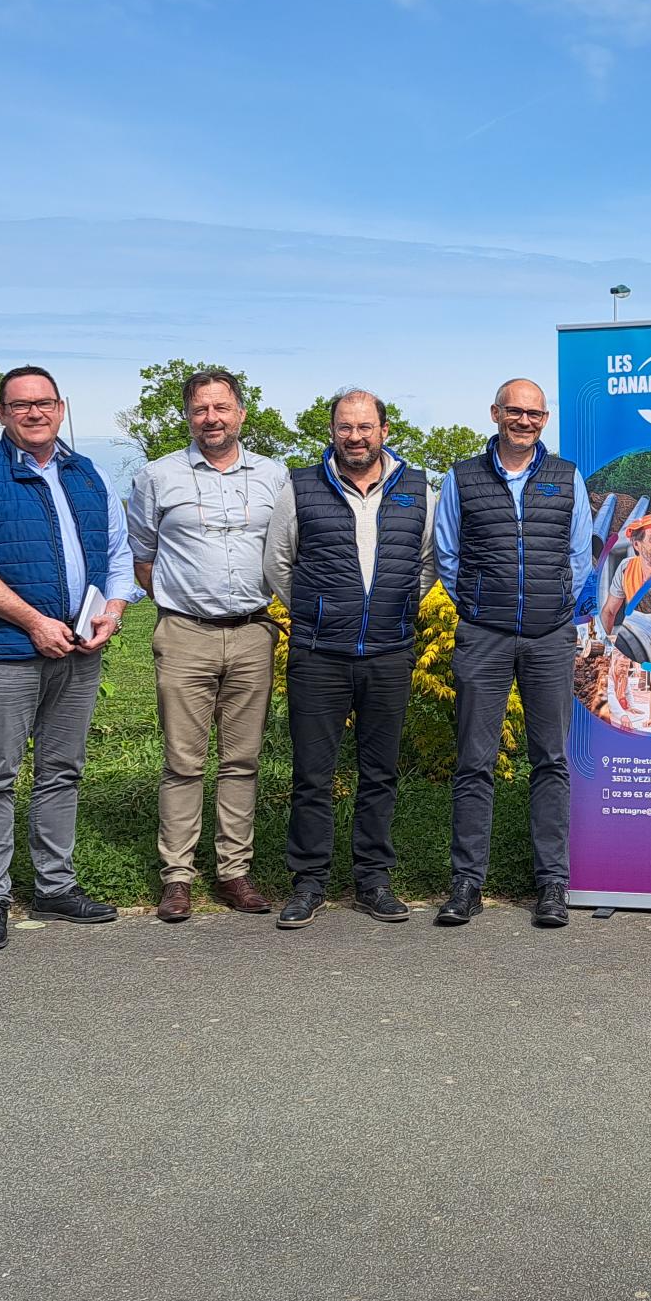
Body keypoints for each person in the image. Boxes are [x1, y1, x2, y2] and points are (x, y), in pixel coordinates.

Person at [0, 365, 136, 953]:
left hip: (79, 649)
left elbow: (118, 552)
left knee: (62, 770)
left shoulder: (87, 473)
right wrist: (33, 623)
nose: (34, 413)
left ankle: (55, 885)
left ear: (61, 408)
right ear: (2, 413)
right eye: (21, 404)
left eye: (44, 403)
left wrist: (113, 611)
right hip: (6, 653)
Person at [262, 388, 435, 929]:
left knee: (379, 773)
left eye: (365, 427)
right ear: (332, 431)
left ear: (384, 430)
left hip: (389, 652)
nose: (355, 437)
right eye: (345, 427)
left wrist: (395, 607)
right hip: (319, 654)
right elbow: (278, 563)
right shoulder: (300, 487)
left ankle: (373, 880)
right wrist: (317, 611)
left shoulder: (418, 488)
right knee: (312, 775)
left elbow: (428, 561)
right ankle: (308, 882)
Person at [126, 367, 288, 923]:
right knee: (182, 761)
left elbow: (286, 547)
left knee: (242, 760)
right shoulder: (156, 476)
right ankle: (177, 876)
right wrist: (182, 602)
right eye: (200, 409)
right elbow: (142, 554)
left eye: (221, 408)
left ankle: (234, 872)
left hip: (253, 632)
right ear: (188, 416)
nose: (211, 418)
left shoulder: (274, 476)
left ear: (240, 413)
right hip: (185, 634)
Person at [431, 378, 594, 928]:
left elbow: (580, 556)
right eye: (514, 411)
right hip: (484, 635)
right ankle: (466, 884)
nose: (524, 421)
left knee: (550, 759)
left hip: (550, 637)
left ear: (544, 420)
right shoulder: (462, 477)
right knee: (474, 761)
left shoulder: (566, 477)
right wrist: (478, 605)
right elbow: (447, 553)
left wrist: (555, 605)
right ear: (495, 413)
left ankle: (551, 885)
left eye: (535, 414)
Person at [603, 511, 651, 732]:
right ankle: (650, 717)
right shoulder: (626, 568)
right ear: (637, 545)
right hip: (638, 632)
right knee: (624, 676)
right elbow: (609, 611)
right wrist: (606, 646)